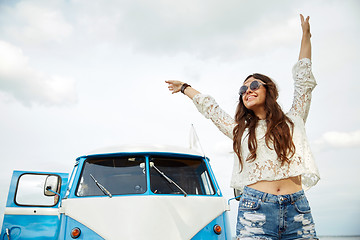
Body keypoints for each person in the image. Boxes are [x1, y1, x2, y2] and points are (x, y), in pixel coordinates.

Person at [165, 14, 320, 239]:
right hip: (255, 211)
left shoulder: (294, 119)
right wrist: (185, 88)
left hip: (297, 210)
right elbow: (212, 110)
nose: (247, 90)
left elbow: (303, 80)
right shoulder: (241, 131)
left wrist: (306, 37)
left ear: (269, 90)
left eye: (254, 85)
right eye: (243, 89)